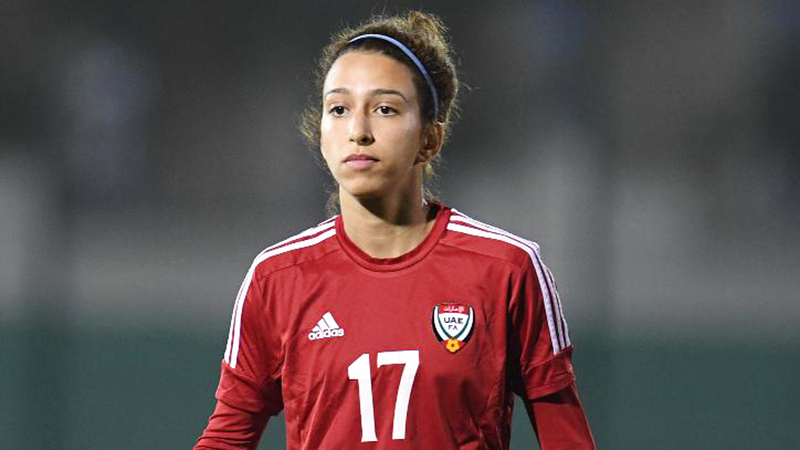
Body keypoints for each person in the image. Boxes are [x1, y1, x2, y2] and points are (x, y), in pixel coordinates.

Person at [195, 11, 595, 450]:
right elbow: (226, 439)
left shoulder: (505, 268)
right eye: (339, 109)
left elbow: (567, 441)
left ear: (430, 138)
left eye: (385, 109)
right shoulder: (277, 277)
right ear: (321, 133)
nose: (358, 131)